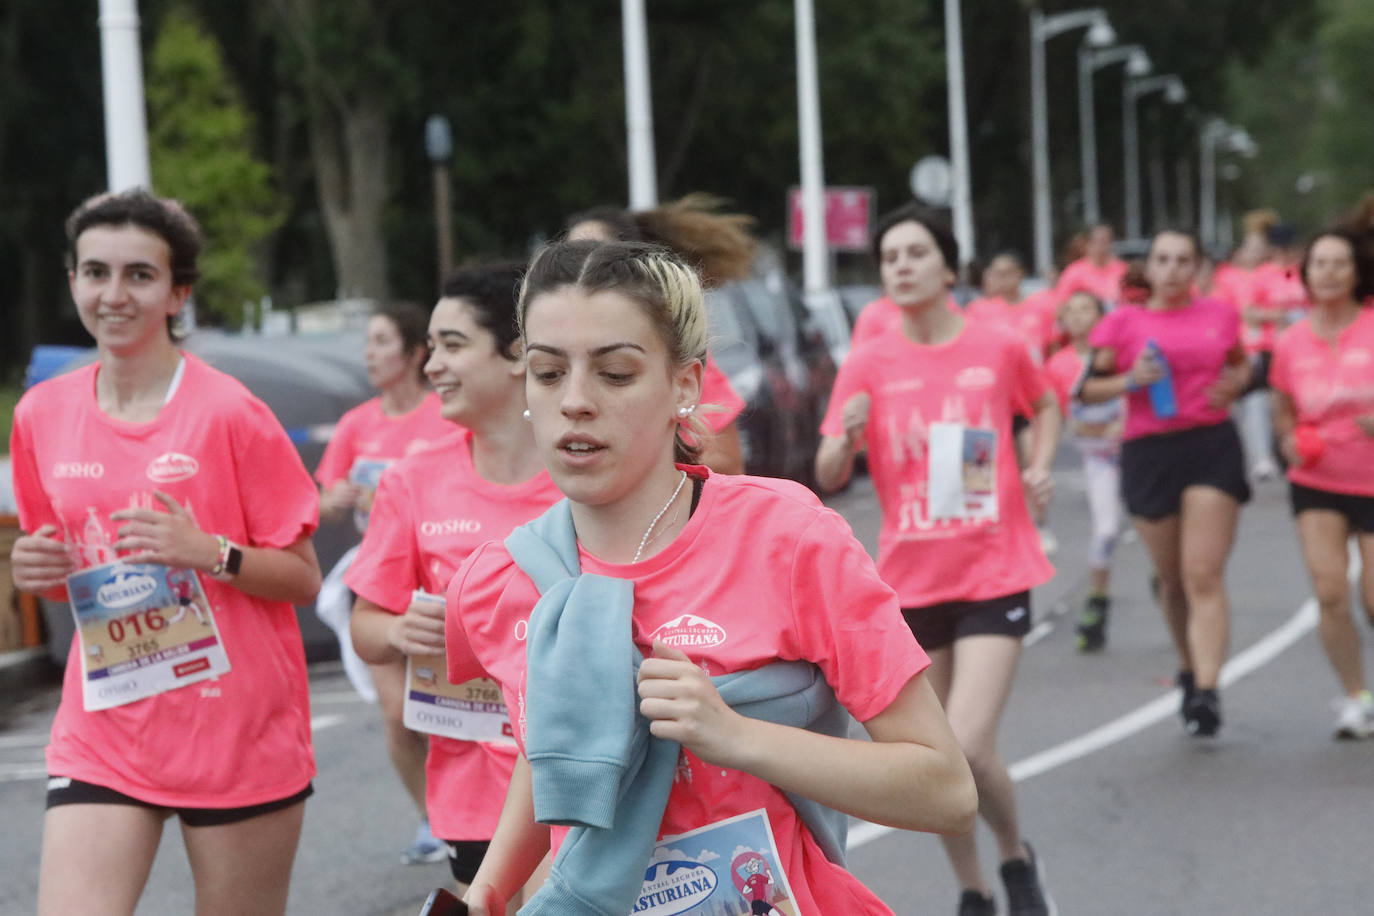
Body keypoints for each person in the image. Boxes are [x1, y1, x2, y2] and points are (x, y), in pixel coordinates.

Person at [448, 240, 976, 915]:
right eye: (548, 373)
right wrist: (489, 888)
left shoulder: (786, 538)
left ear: (686, 385)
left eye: (615, 373)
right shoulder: (499, 578)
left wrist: (736, 736)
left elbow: (947, 790)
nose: (575, 401)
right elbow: (557, 749)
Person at [9, 189, 321, 915]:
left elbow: (303, 577)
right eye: (95, 272)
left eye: (139, 276)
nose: (113, 295)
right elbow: (69, 579)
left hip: (235, 729)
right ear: (72, 281)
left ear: (177, 292)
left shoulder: (231, 413)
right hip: (108, 726)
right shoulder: (41, 414)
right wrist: (39, 573)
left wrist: (210, 552)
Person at [816, 204, 1060, 916]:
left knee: (969, 747)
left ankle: (1015, 857)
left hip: (995, 566)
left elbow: (1044, 406)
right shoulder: (867, 360)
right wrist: (846, 437)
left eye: (916, 252)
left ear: (949, 268)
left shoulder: (998, 344)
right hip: (912, 578)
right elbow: (829, 469)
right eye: (890, 256)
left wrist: (1040, 465)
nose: (901, 265)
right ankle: (973, 889)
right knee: (938, 760)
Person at [348, 264, 562, 899]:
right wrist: (399, 627)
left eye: (454, 345)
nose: (432, 365)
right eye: (432, 347)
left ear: (519, 353)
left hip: (578, 776)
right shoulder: (412, 479)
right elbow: (366, 629)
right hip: (472, 790)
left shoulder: (586, 469)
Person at [1079, 228, 1252, 738]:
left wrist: (1235, 385)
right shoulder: (1121, 323)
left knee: (1203, 573)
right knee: (1173, 579)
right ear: (1148, 268)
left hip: (1210, 445)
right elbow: (1087, 388)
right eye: (1163, 260)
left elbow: (1242, 366)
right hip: (1149, 451)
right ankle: (1188, 664)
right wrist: (1130, 381)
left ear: (1197, 268)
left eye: (1183, 260)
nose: (1173, 270)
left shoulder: (1220, 315)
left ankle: (1207, 689)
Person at [314, 301, 454, 865]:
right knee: (398, 713)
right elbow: (322, 502)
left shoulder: (445, 414)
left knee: (458, 706)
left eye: (380, 341)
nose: (368, 354)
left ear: (415, 353)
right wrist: (338, 498)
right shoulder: (357, 424)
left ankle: (474, 814)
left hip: (442, 575)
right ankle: (432, 819)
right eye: (367, 343)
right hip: (375, 578)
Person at [1269, 228, 1374, 739]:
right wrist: (1289, 440)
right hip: (1316, 480)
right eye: (1319, 264)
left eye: (1339, 263)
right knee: (1330, 593)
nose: (1328, 272)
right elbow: (1282, 410)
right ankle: (1359, 698)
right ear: (1305, 273)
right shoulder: (1291, 340)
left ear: (1357, 271)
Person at [566, 195, 749, 474]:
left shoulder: (674, 347)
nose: (577, 269)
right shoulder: (543, 345)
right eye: (547, 374)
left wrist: (626, 465)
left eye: (618, 374)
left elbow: (728, 462)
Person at [1045, 291, 1125, 651]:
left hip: (1137, 453)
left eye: (1085, 309)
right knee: (1106, 529)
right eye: (1071, 310)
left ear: (1100, 315)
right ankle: (1098, 601)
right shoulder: (1058, 366)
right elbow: (1065, 423)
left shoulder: (1119, 354)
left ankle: (1167, 581)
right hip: (1099, 459)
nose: (1078, 316)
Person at [1213, 210, 1283, 480]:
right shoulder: (1227, 275)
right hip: (1237, 348)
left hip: (1269, 348)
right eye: (1249, 245)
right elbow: (1226, 309)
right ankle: (1257, 455)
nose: (1253, 251)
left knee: (1264, 402)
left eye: (1259, 245)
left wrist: (1261, 314)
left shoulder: (1273, 273)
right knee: (1247, 403)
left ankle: (1267, 454)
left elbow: (1282, 307)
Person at [1055, 222, 1128, 306]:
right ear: (1087, 243)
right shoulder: (1074, 271)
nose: (1101, 246)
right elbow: (1060, 303)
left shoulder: (1122, 268)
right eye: (1097, 241)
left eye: (1106, 241)